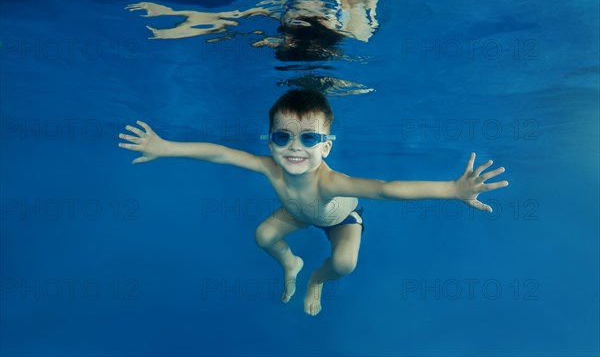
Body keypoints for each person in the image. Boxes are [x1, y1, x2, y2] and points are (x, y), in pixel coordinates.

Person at [118, 90, 508, 316]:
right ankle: (292, 263)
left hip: (340, 219)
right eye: (283, 137)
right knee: (262, 235)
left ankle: (317, 278)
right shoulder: (269, 167)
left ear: (326, 145)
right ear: (269, 140)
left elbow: (388, 189)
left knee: (345, 263)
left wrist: (452, 190)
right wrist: (164, 147)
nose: (294, 148)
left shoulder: (332, 182)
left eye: (308, 139)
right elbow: (219, 153)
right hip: (297, 212)